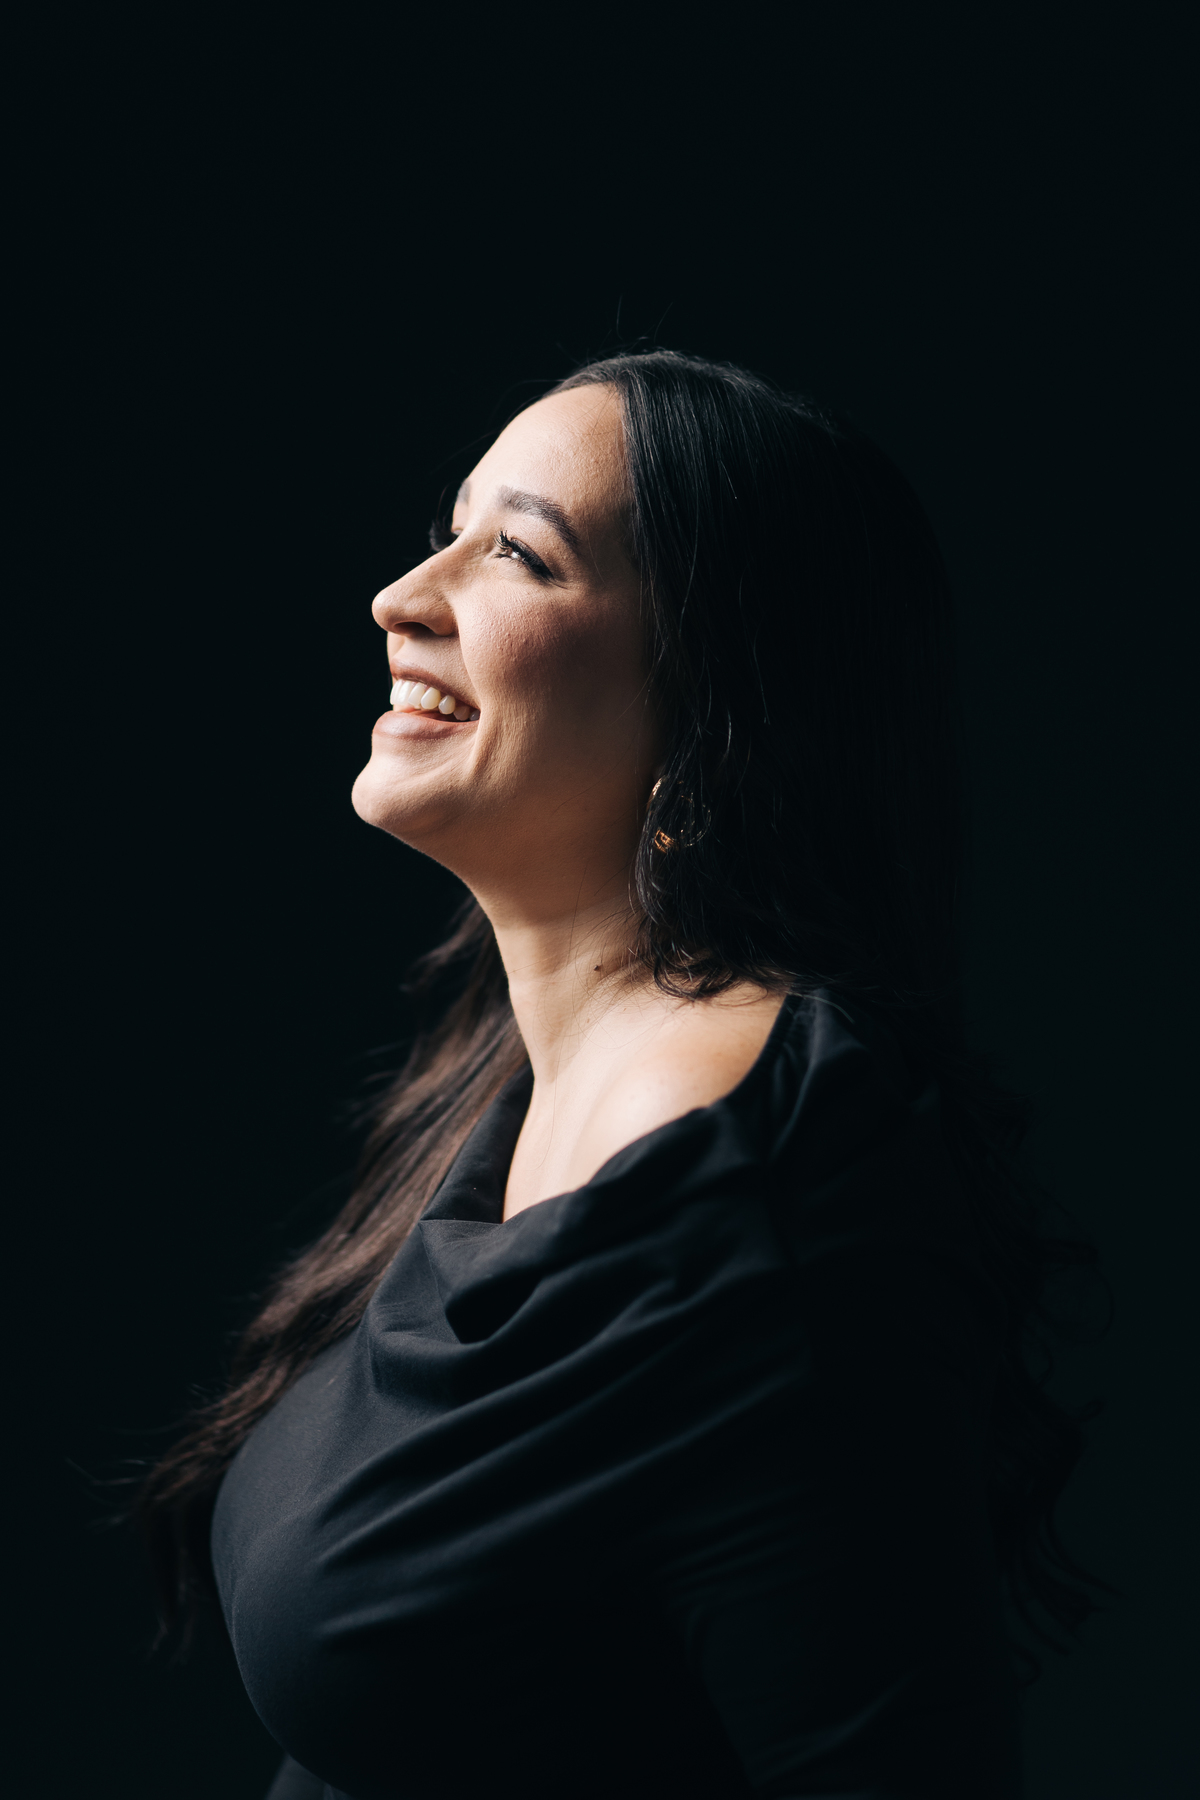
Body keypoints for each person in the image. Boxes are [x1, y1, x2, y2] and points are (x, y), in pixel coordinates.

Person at [140, 351, 1098, 1798]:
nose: (403, 596)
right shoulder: (526, 1091)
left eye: (519, 554)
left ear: (714, 701)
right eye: (448, 528)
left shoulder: (741, 1181)